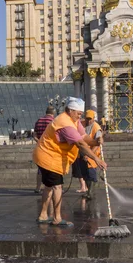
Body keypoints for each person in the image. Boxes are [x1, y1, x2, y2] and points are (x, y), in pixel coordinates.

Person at [33, 97, 106, 227]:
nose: (80, 117)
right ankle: (57, 218)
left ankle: (43, 215)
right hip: (49, 156)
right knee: (57, 186)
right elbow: (80, 144)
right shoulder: (65, 123)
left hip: (49, 156)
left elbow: (84, 137)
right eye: (78, 114)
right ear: (71, 110)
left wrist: (95, 141)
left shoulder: (74, 121)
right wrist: (96, 158)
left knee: (49, 186)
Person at [32, 106, 56, 194]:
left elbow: (34, 135)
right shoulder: (53, 122)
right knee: (52, 168)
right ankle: (52, 187)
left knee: (40, 169)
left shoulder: (39, 121)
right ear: (53, 113)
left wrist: (39, 141)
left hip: (40, 148)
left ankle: (38, 187)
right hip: (51, 148)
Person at [82, 110, 103, 200]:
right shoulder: (82, 124)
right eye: (87, 118)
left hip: (93, 155)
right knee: (85, 174)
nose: (88, 121)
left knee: (92, 174)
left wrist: (89, 154)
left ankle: (90, 193)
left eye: (90, 119)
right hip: (82, 154)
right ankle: (88, 191)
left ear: (94, 118)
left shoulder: (96, 127)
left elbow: (97, 143)